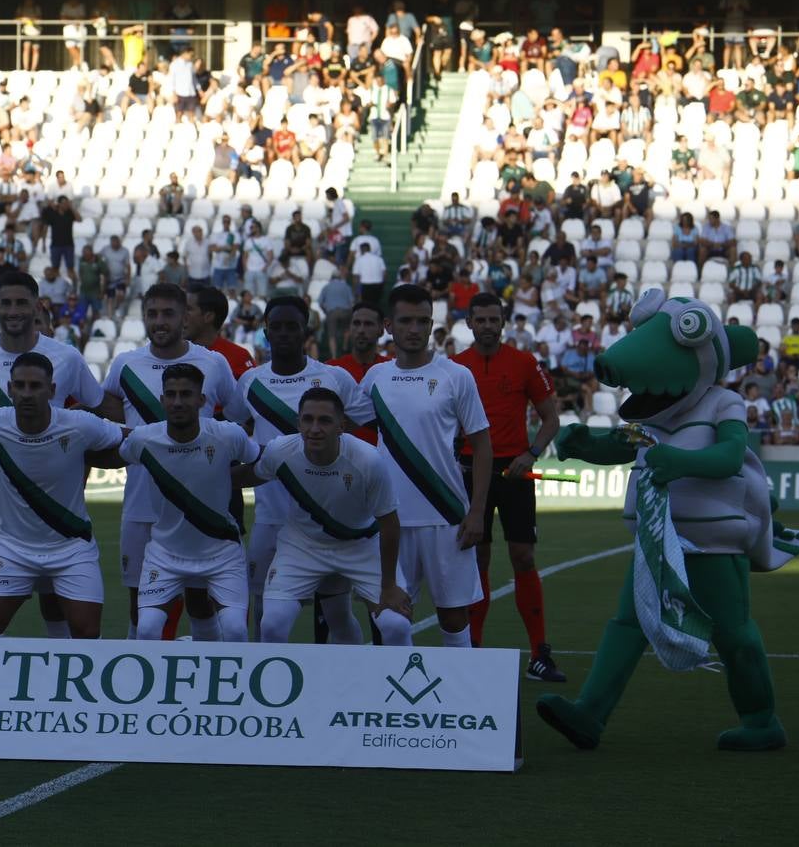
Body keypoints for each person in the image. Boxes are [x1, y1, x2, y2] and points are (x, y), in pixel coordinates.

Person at [0, 272, 118, 637]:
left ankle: (56, 668)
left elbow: (98, 406)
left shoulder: (66, 357)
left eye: (21, 303)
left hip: (48, 505)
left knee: (55, 601)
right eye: (6, 303)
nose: (13, 310)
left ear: (37, 306)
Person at [224, 296, 376, 642]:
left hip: (328, 519)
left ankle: (349, 670)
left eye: (292, 326)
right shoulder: (250, 382)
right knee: (264, 611)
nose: (283, 333)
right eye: (276, 327)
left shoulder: (333, 378)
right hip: (270, 516)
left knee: (337, 612)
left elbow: (369, 423)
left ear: (306, 330)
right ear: (266, 332)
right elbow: (233, 430)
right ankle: (266, 673)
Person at [102, 284, 238, 638]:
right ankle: (139, 663)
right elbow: (109, 405)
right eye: (152, 314)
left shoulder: (212, 362)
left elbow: (236, 416)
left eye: (168, 313)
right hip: (140, 503)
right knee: (139, 601)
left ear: (184, 317)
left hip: (197, 507)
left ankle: (208, 663)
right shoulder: (125, 364)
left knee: (200, 600)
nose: (159, 321)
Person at [360, 284, 492, 648]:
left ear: (432, 324)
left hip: (446, 517)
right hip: (390, 521)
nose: (415, 329)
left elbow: (482, 445)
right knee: (391, 620)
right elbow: (342, 427)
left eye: (423, 321)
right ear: (389, 326)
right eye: (405, 321)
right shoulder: (375, 378)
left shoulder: (456, 376)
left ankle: (460, 684)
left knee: (454, 618)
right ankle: (394, 686)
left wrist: (477, 512)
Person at [232, 387, 411, 645]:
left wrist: (389, 586)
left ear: (342, 426)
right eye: (308, 419)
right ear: (298, 423)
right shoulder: (281, 451)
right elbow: (248, 476)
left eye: (325, 421)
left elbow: (390, 524)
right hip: (302, 544)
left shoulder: (368, 460)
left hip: (360, 545)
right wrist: (201, 474)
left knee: (396, 625)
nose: (314, 429)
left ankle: (397, 673)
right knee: (272, 625)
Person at [453, 293, 566, 678]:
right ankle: (473, 650)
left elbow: (551, 419)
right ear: (469, 323)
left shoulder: (524, 363)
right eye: (481, 319)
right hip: (469, 470)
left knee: (523, 557)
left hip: (514, 471)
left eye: (493, 319)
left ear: (503, 322)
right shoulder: (455, 367)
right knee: (477, 559)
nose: (487, 326)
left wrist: (531, 454)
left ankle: (539, 654)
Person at [120, 363, 257, 641]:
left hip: (222, 552)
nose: (178, 402)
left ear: (201, 400)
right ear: (162, 400)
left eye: (186, 394)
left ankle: (213, 665)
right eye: (171, 394)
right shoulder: (143, 439)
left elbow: (258, 462)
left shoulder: (228, 435)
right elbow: (116, 456)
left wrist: (227, 479)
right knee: (146, 629)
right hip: (165, 552)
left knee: (235, 629)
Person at [184, 286, 256, 380]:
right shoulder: (170, 353)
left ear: (208, 316)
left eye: (188, 309)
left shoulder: (239, 356)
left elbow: (255, 388)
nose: (180, 315)